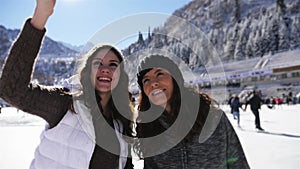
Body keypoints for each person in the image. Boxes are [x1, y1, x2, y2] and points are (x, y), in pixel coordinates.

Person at [0, 0, 134, 168]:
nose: (105, 69)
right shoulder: (65, 104)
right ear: (87, 73)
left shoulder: (122, 121)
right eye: (98, 63)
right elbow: (11, 91)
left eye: (113, 65)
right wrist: (40, 17)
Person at [134, 55, 250, 169]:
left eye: (159, 74)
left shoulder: (213, 118)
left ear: (175, 79)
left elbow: (238, 162)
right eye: (146, 80)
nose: (153, 83)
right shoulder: (148, 129)